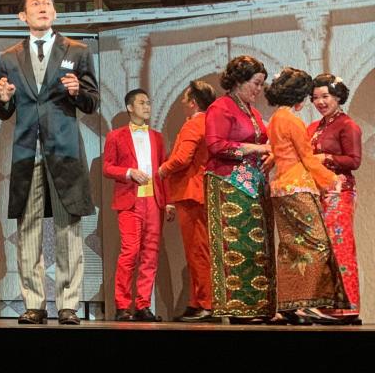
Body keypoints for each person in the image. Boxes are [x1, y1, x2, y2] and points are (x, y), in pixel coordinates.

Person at [0, 0, 97, 325]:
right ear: (23, 15)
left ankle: (68, 303)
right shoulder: (9, 57)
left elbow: (92, 102)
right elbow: (3, 109)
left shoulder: (77, 51)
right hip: (26, 152)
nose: (42, 7)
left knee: (68, 228)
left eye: (47, 3)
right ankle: (34, 303)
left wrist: (77, 91)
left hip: (64, 150)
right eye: (35, 4)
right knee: (29, 229)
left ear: (54, 13)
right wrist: (4, 99)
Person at [265, 68, 346, 324]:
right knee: (317, 245)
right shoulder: (292, 121)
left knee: (291, 248)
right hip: (298, 187)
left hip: (280, 189)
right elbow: (307, 159)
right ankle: (308, 303)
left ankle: (290, 305)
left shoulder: (276, 118)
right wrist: (332, 180)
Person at [204, 55, 274, 321]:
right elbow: (216, 146)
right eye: (255, 83)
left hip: (254, 185)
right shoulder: (221, 107)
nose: (258, 90)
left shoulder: (252, 112)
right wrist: (256, 148)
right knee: (237, 246)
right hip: (228, 185)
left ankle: (257, 305)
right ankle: (236, 307)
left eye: (261, 85)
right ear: (238, 81)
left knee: (256, 248)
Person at [103, 89, 174, 322]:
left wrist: (169, 201)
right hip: (130, 201)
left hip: (153, 201)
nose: (147, 107)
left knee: (150, 255)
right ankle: (122, 306)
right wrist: (128, 172)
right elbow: (107, 167)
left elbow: (164, 170)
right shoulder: (116, 136)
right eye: (142, 103)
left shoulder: (157, 136)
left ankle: (143, 305)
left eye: (149, 102)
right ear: (130, 108)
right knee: (130, 251)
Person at [158, 80, 217, 322]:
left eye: (185, 98)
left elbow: (182, 158)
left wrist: (162, 169)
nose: (183, 102)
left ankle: (205, 303)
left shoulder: (194, 124)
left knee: (197, 250)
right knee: (197, 250)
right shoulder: (208, 122)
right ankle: (196, 301)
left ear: (193, 102)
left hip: (192, 193)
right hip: (198, 192)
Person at [307, 74, 363, 323]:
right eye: (316, 98)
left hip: (339, 193)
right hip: (319, 193)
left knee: (340, 247)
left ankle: (347, 307)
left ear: (338, 96)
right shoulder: (317, 127)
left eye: (325, 96)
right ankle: (328, 306)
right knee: (324, 248)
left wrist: (326, 158)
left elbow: (354, 161)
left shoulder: (347, 125)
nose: (320, 102)